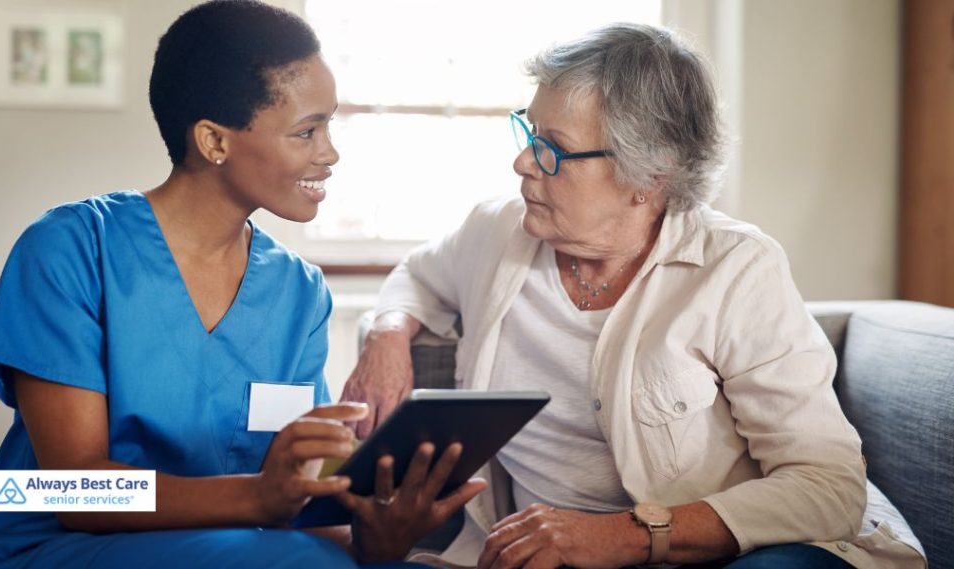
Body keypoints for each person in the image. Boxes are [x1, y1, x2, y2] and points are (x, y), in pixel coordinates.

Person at [342, 23, 926, 569]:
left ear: (649, 178)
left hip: (712, 554)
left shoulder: (735, 268)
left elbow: (828, 487)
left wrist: (623, 534)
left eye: (553, 149)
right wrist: (389, 334)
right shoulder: (495, 232)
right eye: (527, 131)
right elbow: (416, 277)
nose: (522, 162)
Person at [0, 2, 484, 567]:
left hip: (236, 543)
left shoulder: (298, 291)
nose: (330, 153)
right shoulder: (70, 248)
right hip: (49, 545)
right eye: (307, 131)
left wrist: (378, 539)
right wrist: (257, 496)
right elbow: (69, 491)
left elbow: (296, 500)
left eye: (329, 124)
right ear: (214, 141)